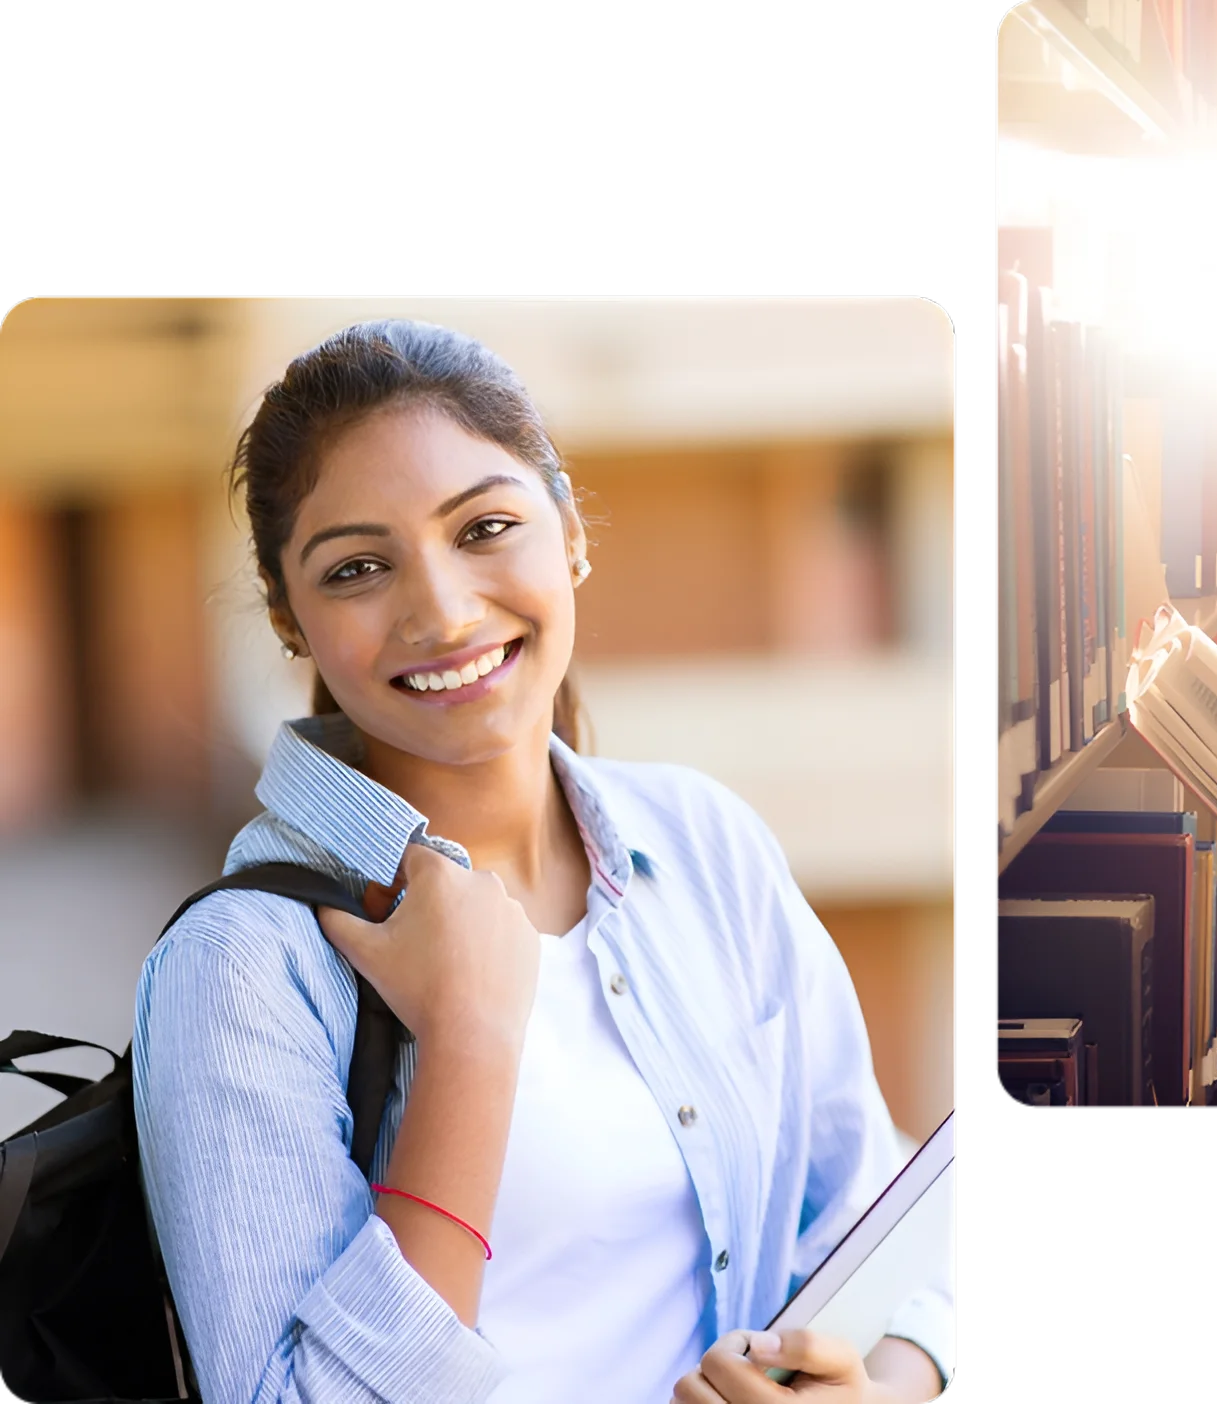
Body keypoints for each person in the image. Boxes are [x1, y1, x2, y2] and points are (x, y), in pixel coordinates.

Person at [130, 319, 952, 1401]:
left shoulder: (701, 844)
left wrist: (882, 1391)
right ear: (291, 621)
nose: (441, 609)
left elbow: (879, 1233)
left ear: (568, 533)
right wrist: (469, 1040)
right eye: (359, 568)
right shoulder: (244, 967)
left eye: (485, 527)